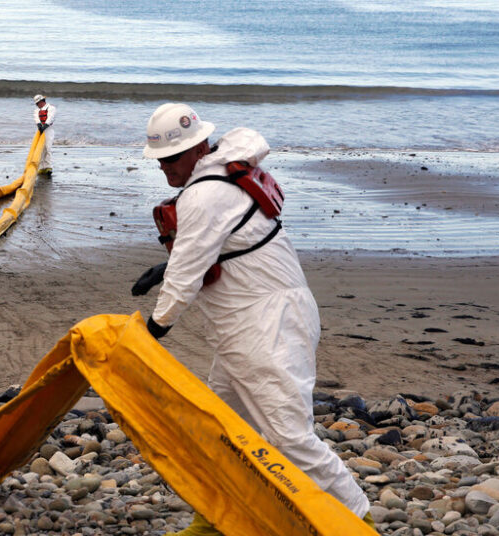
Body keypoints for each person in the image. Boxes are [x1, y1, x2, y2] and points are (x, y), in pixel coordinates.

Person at [133, 104, 375, 535]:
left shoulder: (203, 194)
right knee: (222, 429)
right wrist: (166, 269)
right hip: (253, 323)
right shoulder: (222, 176)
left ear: (199, 148)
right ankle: (212, 521)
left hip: (265, 326)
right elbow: (221, 247)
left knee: (289, 438)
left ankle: (360, 522)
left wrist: (152, 332)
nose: (166, 167)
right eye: (161, 159)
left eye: (173, 157)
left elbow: (187, 274)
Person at [32, 94, 56, 177]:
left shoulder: (51, 108)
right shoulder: (36, 110)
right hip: (40, 130)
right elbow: (36, 118)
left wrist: (45, 125)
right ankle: (42, 167)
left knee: (48, 148)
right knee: (40, 148)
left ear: (41, 101)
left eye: (37, 103)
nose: (37, 105)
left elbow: (51, 118)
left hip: (48, 129)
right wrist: (39, 125)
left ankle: (48, 167)